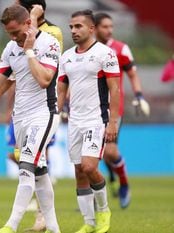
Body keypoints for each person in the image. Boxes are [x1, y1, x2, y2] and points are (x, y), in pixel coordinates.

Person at [0, 5, 61, 233]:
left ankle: (11, 226)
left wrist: (29, 51)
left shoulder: (49, 43)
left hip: (44, 114)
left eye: (16, 32)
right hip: (20, 118)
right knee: (40, 173)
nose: (14, 38)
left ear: (28, 24)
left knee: (25, 166)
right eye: (9, 34)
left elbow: (45, 79)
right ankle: (55, 229)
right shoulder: (10, 48)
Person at [57, 9, 119, 233]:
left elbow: (115, 89)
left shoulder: (106, 54)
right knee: (79, 173)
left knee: (90, 166)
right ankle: (89, 222)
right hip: (74, 121)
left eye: (78, 26)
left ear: (91, 28)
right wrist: (55, 114)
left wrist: (112, 122)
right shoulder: (66, 56)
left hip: (96, 120)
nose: (73, 30)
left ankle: (103, 211)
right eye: (71, 26)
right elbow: (61, 87)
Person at [94, 12, 150, 209]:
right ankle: (95, 194)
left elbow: (133, 74)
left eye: (111, 26)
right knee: (93, 156)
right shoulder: (85, 50)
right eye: (105, 26)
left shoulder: (121, 49)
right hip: (89, 109)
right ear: (94, 27)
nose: (109, 30)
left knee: (110, 151)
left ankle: (124, 183)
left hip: (113, 109)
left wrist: (139, 95)